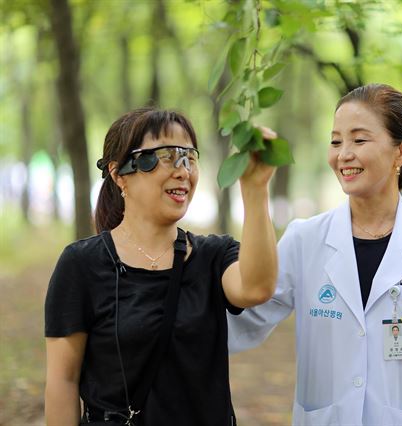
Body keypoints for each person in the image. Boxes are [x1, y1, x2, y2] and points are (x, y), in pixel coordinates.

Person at [227, 83, 402, 425]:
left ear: (401, 150)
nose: (343, 154)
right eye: (336, 141)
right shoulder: (305, 240)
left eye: (359, 140)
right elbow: (243, 322)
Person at [44, 107, 278, 425]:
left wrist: (255, 190)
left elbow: (256, 287)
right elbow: (63, 381)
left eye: (189, 157)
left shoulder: (213, 255)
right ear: (119, 174)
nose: (183, 171)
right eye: (167, 156)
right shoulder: (81, 265)